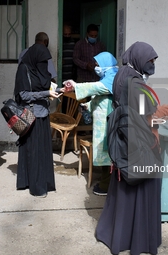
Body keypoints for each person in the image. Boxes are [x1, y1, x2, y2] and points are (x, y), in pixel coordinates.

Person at [95, 42, 168, 255]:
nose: (153, 64)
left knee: (125, 191)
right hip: (141, 144)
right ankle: (140, 240)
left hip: (125, 142)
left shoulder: (122, 75)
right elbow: (149, 116)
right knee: (142, 189)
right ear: (139, 59)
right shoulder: (136, 84)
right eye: (150, 60)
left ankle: (118, 236)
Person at [62, 51, 118, 196]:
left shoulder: (113, 78)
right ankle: (106, 182)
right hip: (102, 122)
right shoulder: (107, 77)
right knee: (105, 151)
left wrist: (76, 86)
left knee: (108, 151)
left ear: (106, 64)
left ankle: (107, 185)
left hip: (108, 122)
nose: (96, 67)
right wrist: (88, 105)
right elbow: (99, 96)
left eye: (99, 64)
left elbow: (97, 88)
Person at [14, 39, 62, 198]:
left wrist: (58, 90)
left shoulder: (41, 70)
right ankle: (36, 187)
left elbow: (47, 85)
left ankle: (41, 182)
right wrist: (46, 94)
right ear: (35, 58)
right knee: (33, 151)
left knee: (41, 151)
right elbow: (24, 95)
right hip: (30, 115)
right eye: (42, 62)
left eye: (45, 62)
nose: (44, 65)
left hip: (43, 114)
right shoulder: (24, 69)